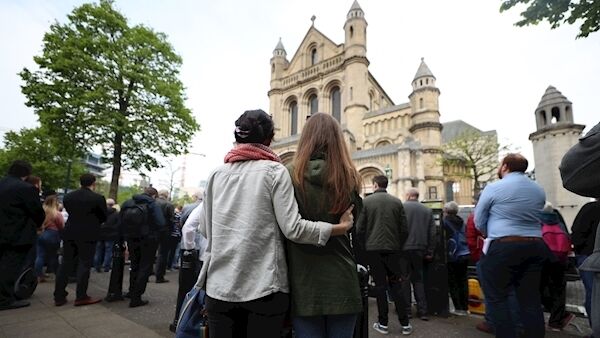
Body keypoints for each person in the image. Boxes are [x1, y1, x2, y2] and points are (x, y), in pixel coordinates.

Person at [194, 109, 354, 338]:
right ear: (269, 140)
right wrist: (338, 228)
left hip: (220, 288)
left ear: (237, 136)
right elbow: (293, 229)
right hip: (264, 287)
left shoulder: (215, 174)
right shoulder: (275, 172)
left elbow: (204, 228)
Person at [286, 113, 363, 338]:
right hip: (342, 281)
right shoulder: (350, 176)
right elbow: (354, 222)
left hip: (305, 282)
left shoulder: (290, 174)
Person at [475, 153, 549, 338]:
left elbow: (479, 220)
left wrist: (489, 232)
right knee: (530, 300)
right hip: (535, 245)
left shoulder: (494, 187)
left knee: (497, 299)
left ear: (505, 167)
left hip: (504, 245)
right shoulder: (538, 190)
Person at [357, 175, 412, 336]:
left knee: (380, 286)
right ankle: (405, 323)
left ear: (374, 185)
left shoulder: (366, 202)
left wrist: (365, 248)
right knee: (397, 285)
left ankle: (383, 323)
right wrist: (398, 246)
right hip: (393, 250)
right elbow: (404, 229)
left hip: (373, 251)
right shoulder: (396, 202)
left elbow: (360, 229)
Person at [54, 173, 107, 307]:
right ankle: (81, 295)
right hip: (88, 233)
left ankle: (59, 295)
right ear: (93, 183)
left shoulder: (69, 197)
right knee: (84, 263)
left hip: (70, 232)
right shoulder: (98, 198)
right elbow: (103, 217)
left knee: (65, 262)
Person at [0, 160, 45, 311]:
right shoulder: (26, 189)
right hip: (17, 235)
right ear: (26, 173)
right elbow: (37, 212)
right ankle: (4, 299)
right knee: (10, 267)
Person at [121, 187, 165, 307]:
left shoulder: (128, 203)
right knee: (145, 267)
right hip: (148, 239)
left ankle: (131, 291)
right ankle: (137, 297)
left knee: (134, 264)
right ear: (154, 196)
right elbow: (161, 222)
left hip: (131, 238)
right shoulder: (153, 204)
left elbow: (121, 219)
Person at [539, 202, 575, 331]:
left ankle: (553, 316)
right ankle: (556, 321)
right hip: (560, 259)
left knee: (539, 288)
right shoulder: (557, 218)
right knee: (558, 289)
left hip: (543, 259)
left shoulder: (537, 221)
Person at [402, 188, 435, 321]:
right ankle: (423, 311)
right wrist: (430, 251)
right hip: (420, 250)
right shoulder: (427, 210)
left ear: (409, 195)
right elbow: (432, 233)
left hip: (403, 249)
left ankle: (407, 311)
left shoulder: (402, 208)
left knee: (404, 280)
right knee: (418, 280)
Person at [571, 199, 600, 331]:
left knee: (593, 294)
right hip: (589, 253)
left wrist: (579, 248)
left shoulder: (589, 208)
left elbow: (576, 231)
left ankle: (595, 329)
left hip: (588, 255)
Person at [442, 201, 470, 316]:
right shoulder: (461, 221)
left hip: (453, 255)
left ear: (446, 211)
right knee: (463, 280)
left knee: (453, 282)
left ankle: (458, 307)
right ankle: (465, 307)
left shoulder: (445, 222)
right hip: (465, 253)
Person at [34, 194, 64, 283]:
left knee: (40, 256)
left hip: (41, 234)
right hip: (52, 235)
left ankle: (38, 275)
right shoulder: (56, 214)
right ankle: (58, 275)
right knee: (53, 256)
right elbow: (61, 226)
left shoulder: (42, 211)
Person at [154, 189, 175, 283]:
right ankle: (159, 276)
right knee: (162, 254)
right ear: (167, 195)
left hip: (152, 231)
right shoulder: (169, 205)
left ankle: (146, 274)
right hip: (165, 231)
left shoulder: (153, 203)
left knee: (150, 253)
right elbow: (171, 219)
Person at [94, 199, 120, 273]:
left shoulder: (99, 213)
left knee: (98, 251)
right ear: (113, 204)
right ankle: (106, 267)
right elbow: (118, 225)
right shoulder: (116, 214)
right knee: (108, 252)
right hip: (111, 235)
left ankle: (97, 266)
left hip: (100, 234)